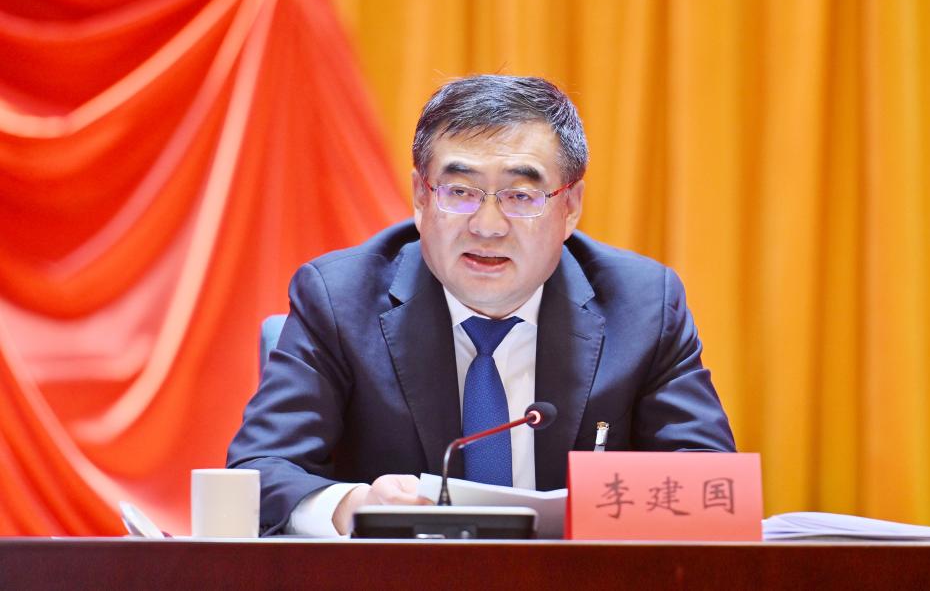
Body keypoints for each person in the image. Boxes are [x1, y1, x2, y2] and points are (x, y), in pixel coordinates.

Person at [227, 75, 735, 536]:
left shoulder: (643, 306)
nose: (487, 226)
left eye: (521, 196)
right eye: (460, 191)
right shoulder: (339, 299)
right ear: (421, 198)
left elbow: (709, 484)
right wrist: (353, 506)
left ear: (570, 206)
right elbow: (257, 471)